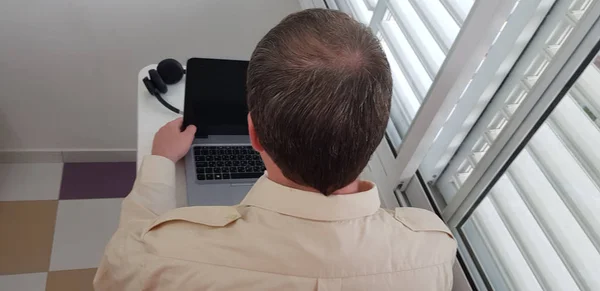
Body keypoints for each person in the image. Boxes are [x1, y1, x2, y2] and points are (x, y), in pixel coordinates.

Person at [94, 8, 456, 291]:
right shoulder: (433, 249)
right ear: (375, 137)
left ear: (254, 134)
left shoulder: (161, 255)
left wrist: (159, 162)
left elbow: (118, 269)